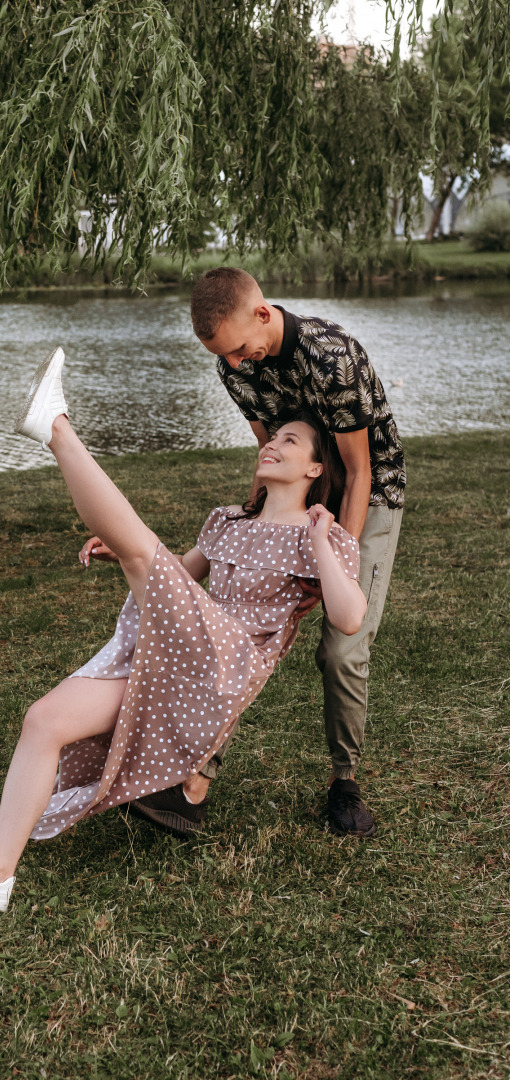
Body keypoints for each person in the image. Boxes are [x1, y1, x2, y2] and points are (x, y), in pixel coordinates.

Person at [0, 346, 366, 911]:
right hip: (182, 649)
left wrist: (321, 539)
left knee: (143, 555)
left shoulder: (317, 537)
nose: (271, 444)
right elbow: (181, 572)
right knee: (45, 719)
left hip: (227, 663)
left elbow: (349, 617)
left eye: (289, 442)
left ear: (316, 469)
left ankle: (55, 426)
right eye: (272, 438)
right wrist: (124, 554)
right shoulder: (227, 522)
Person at [131, 267, 404, 840]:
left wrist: (335, 558)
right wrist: (252, 524)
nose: (233, 364)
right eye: (220, 356)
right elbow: (268, 449)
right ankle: (191, 785)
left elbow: (357, 470)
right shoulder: (236, 367)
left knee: (343, 648)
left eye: (236, 350)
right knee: (232, 628)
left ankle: (344, 783)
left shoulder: (332, 357)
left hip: (367, 493)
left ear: (261, 314)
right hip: (297, 482)